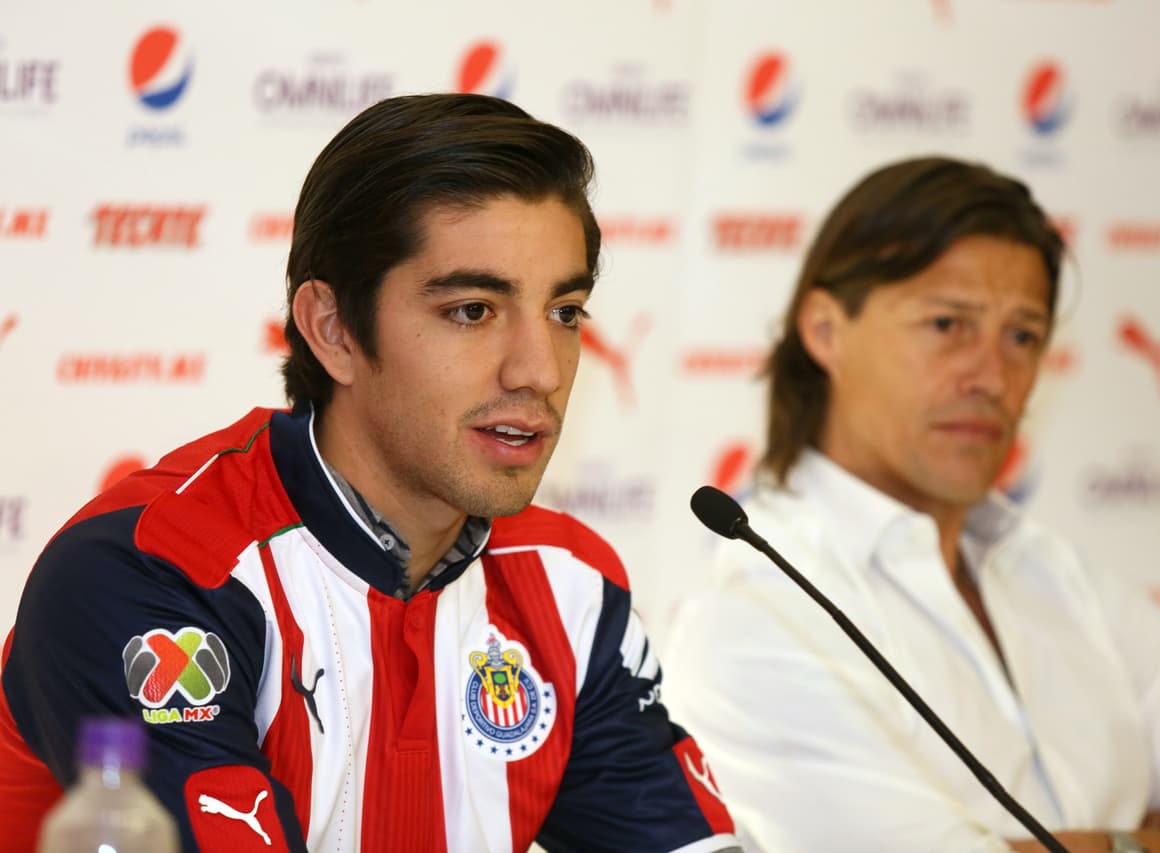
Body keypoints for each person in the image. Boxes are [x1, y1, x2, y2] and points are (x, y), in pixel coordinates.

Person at [0, 94, 739, 853]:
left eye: (565, 311)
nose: (540, 370)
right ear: (334, 329)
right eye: (474, 310)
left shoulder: (568, 585)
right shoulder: (154, 572)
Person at [662, 156, 1160, 853]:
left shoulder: (1062, 577)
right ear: (826, 331)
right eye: (948, 324)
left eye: (1022, 335)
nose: (992, 376)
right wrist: (1154, 840)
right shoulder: (758, 618)